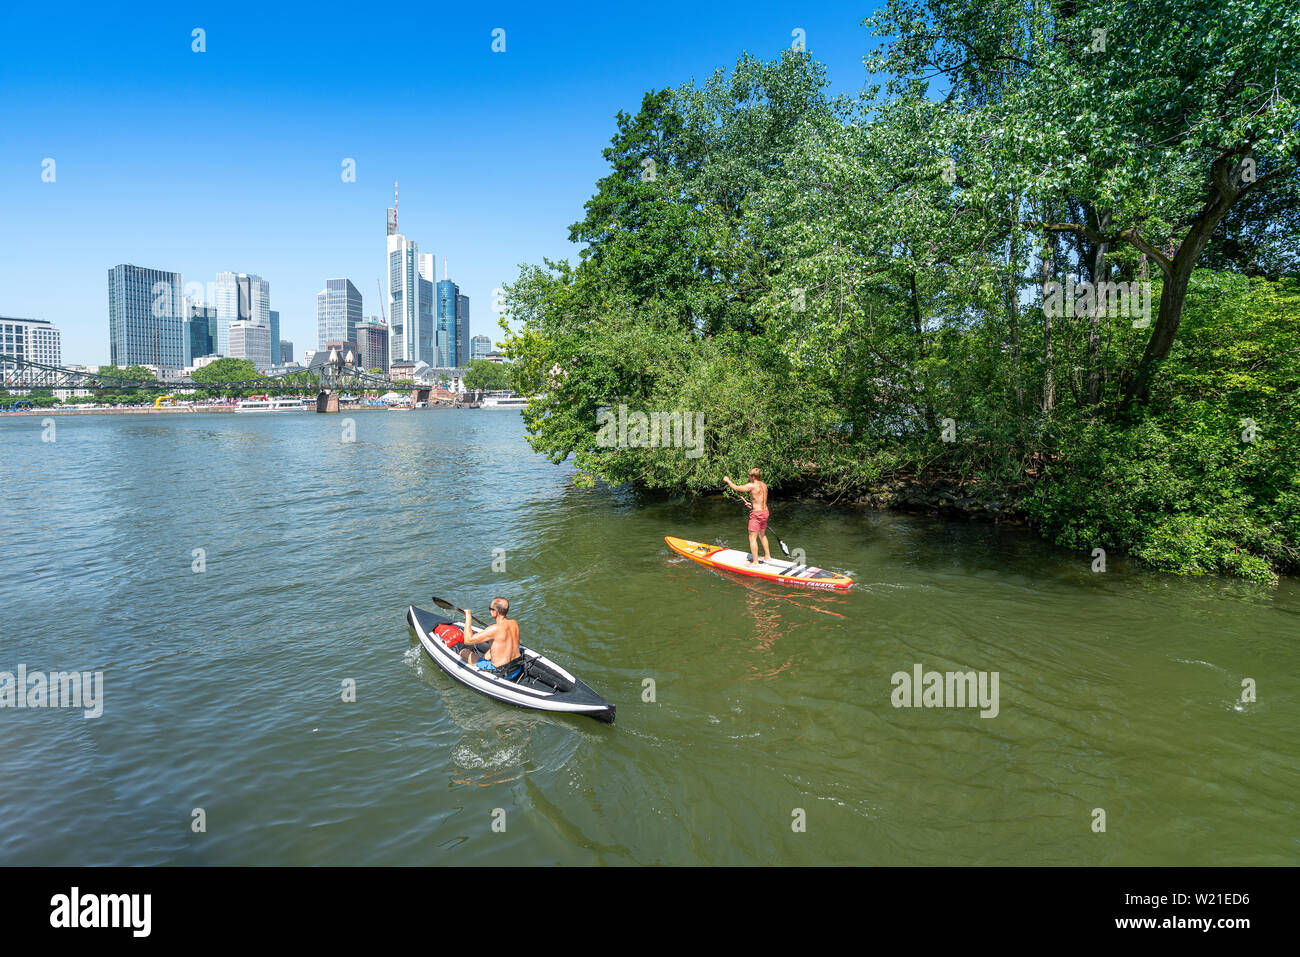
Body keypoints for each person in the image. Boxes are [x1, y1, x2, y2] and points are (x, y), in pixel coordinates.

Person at [458, 597, 522, 677]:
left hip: (502, 673)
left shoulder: (494, 629)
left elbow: (468, 640)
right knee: (490, 650)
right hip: (517, 668)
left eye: (490, 608)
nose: (490, 610)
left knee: (463, 652)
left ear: (495, 612)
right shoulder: (514, 623)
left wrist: (468, 618)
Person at [724, 468, 770, 564]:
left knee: (752, 538)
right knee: (762, 535)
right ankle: (767, 556)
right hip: (765, 512)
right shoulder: (764, 485)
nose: (749, 478)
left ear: (753, 477)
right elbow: (759, 499)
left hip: (757, 515)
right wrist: (752, 505)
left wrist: (728, 480)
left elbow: (736, 488)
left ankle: (755, 562)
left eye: (749, 476)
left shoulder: (752, 486)